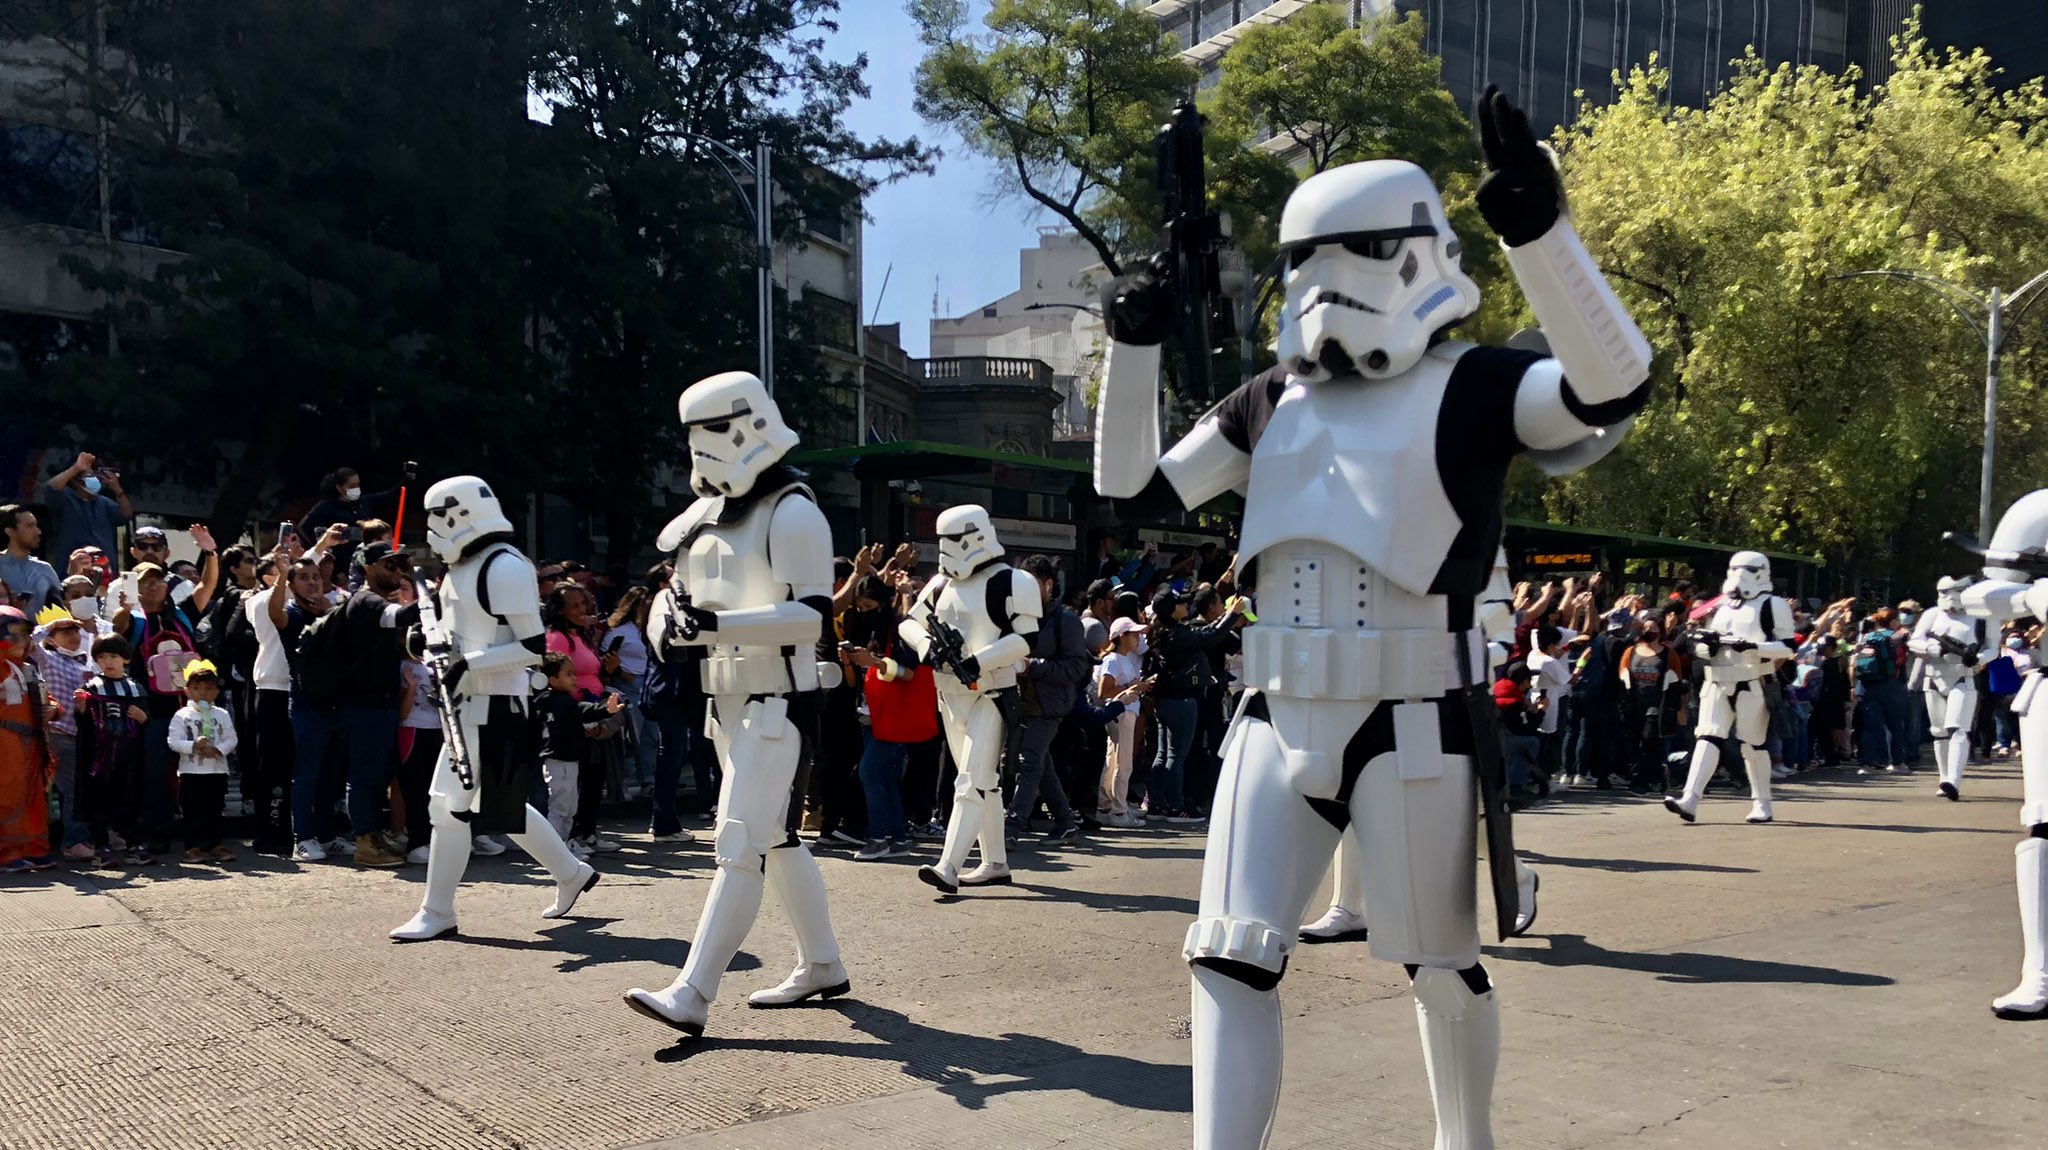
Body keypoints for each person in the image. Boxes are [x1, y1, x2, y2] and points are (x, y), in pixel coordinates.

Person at [1092, 87, 1652, 1148]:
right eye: (1303, 261)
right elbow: (1133, 497)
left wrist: (1541, 235)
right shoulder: (1267, 400)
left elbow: (1606, 392)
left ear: (1410, 256)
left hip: (1411, 717)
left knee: (1438, 967)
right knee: (1223, 952)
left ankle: (1462, 1137)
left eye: (1345, 253)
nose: (1319, 284)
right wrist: (1132, 347)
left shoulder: (1476, 386)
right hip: (1272, 712)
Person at [625, 372, 850, 1036]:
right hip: (723, 700)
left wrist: (714, 627)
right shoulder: (700, 520)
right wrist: (666, 623)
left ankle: (693, 992)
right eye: (695, 435)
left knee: (739, 841)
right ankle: (823, 963)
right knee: (775, 841)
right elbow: (672, 597)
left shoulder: (794, 510)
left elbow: (810, 618)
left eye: (714, 431)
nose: (703, 448)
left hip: (781, 700)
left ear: (751, 425)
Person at [388, 475, 600, 943]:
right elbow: (456, 634)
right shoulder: (465, 567)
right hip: (469, 701)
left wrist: (468, 662)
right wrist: (426, 641)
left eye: (439, 517)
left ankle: (437, 909)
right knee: (494, 805)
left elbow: (530, 647)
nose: (434, 528)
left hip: (496, 704)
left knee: (448, 807)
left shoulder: (504, 566)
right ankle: (570, 872)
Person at [896, 506, 1041, 895]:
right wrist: (929, 647)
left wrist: (978, 661)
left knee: (970, 782)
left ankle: (948, 866)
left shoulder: (1013, 581)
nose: (950, 550)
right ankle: (995, 863)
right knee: (984, 784)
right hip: (950, 694)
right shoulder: (942, 584)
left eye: (956, 540)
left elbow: (1025, 639)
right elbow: (909, 622)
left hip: (991, 692)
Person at [1952, 489, 2048, 1019]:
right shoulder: (2039, 510)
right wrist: (2031, 599)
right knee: (2043, 825)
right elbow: (1978, 594)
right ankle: (2039, 970)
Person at [1664, 553, 1796, 825]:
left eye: (1745, 569)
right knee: (1707, 737)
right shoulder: (1723, 606)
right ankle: (1690, 798)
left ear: (1760, 572)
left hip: (1753, 680)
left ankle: (1762, 802)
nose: (1738, 574)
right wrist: (1708, 644)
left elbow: (1788, 648)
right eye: (1734, 568)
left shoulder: (1773, 605)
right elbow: (1701, 647)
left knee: (1753, 744)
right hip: (1717, 680)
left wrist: (1752, 647)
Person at [327, 541, 417, 867]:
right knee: (365, 775)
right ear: (368, 569)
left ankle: (374, 835)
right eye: (389, 566)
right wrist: (433, 595)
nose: (397, 572)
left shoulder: (379, 601)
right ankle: (365, 840)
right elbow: (403, 615)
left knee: (378, 774)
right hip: (363, 704)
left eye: (400, 566)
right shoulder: (366, 602)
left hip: (383, 703)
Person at [843, 574, 936, 860]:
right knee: (883, 776)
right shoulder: (876, 632)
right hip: (874, 714)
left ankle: (879, 836)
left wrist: (874, 662)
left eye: (868, 606)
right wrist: (854, 661)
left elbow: (909, 673)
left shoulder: (900, 631)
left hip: (892, 717)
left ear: (882, 604)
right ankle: (895, 837)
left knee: (870, 772)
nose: (863, 612)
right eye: (859, 607)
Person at [1003, 554, 1094, 847]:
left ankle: (1012, 825)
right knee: (1042, 765)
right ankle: (1066, 823)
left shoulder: (1066, 620)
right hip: (1021, 703)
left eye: (1031, 584)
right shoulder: (1020, 619)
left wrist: (1032, 667)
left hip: (1048, 706)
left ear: (1048, 585)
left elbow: (1077, 667)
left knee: (1029, 762)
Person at [1142, 588, 1245, 822]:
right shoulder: (1177, 635)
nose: (1185, 607)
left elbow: (1207, 631)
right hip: (1182, 700)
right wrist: (1231, 615)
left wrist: (1225, 614)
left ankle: (1158, 804)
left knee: (1163, 754)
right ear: (1171, 610)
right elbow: (1209, 637)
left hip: (1164, 700)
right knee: (1177, 756)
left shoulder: (1164, 631)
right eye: (1180, 604)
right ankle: (1177, 808)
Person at [543, 583, 622, 855]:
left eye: (583, 604)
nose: (581, 610)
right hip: (576, 717)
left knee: (594, 779)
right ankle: (570, 838)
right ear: (560, 610)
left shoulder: (582, 636)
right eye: (574, 606)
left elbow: (593, 675)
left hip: (596, 711)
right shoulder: (558, 638)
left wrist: (609, 670)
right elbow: (554, 677)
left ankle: (587, 833)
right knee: (574, 786)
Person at [1909, 575, 1997, 800]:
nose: (1948, 598)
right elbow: (1914, 640)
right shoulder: (1932, 614)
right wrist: (1931, 648)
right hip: (1934, 677)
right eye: (1943, 592)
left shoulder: (1984, 616)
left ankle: (1953, 781)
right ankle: (1944, 777)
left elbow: (1993, 648)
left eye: (1953, 592)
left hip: (1963, 676)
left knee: (1957, 729)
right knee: (1939, 733)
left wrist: (1977, 659)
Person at [534, 651, 626, 847]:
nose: (574, 678)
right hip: (559, 761)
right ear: (552, 679)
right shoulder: (558, 702)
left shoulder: (552, 701)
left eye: (573, 673)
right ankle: (556, 847)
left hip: (568, 761)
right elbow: (584, 711)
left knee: (569, 808)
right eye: (568, 674)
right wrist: (605, 710)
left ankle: (566, 844)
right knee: (559, 808)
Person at [73, 634, 148, 866]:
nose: (108, 661)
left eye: (113, 656)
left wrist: (144, 718)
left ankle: (133, 843)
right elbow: (83, 725)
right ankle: (101, 846)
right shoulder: (92, 687)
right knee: (99, 801)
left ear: (125, 659)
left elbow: (145, 721)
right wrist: (82, 709)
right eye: (102, 657)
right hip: (99, 756)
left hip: (128, 755)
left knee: (129, 798)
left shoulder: (135, 688)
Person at [31, 605, 94, 860]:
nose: (72, 634)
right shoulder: (47, 657)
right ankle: (73, 841)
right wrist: (49, 626)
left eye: (74, 629)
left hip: (82, 734)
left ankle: (83, 837)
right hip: (58, 732)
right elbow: (30, 642)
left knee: (78, 789)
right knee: (69, 789)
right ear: (51, 638)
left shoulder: (85, 661)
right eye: (64, 630)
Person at [165, 659, 238, 863]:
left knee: (214, 809)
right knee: (191, 811)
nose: (202, 693)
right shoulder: (182, 715)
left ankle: (216, 844)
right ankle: (192, 846)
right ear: (187, 690)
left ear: (216, 692)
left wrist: (217, 749)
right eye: (197, 688)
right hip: (191, 772)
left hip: (216, 771)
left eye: (208, 688)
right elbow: (173, 740)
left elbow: (232, 738)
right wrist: (193, 745)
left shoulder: (221, 714)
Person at [0, 607, 56, 871]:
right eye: (13, 635)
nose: (21, 642)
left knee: (34, 796)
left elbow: (46, 698)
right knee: (7, 796)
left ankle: (35, 848)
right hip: (6, 740)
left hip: (33, 740)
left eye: (24, 636)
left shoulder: (27, 669)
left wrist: (55, 709)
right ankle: (6, 853)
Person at [1096, 616, 1149, 827]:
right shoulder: (1113, 659)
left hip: (1126, 712)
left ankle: (1108, 807)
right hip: (1121, 712)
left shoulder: (1124, 658)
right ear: (1122, 637)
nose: (1139, 638)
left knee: (1115, 761)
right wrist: (1133, 688)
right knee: (1122, 763)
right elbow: (1104, 691)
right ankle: (1118, 812)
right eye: (1134, 634)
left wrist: (1136, 687)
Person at [1854, 607, 1916, 775]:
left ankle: (1864, 764)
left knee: (1871, 727)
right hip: (1892, 685)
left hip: (1867, 686)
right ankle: (1897, 763)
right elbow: (1902, 659)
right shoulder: (1896, 637)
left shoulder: (1867, 637)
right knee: (1895, 726)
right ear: (1893, 622)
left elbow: (1855, 659)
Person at [43, 452, 132, 565]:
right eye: (89, 475)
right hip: (73, 575)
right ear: (76, 480)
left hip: (104, 574)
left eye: (95, 475)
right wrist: (76, 467)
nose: (95, 479)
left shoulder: (103, 502)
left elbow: (125, 515)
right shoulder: (65, 498)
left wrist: (118, 490)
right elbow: (51, 488)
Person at [0, 506, 61, 612]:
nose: (38, 531)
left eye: (36, 526)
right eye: (29, 526)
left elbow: (63, 607)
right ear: (9, 531)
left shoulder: (45, 569)